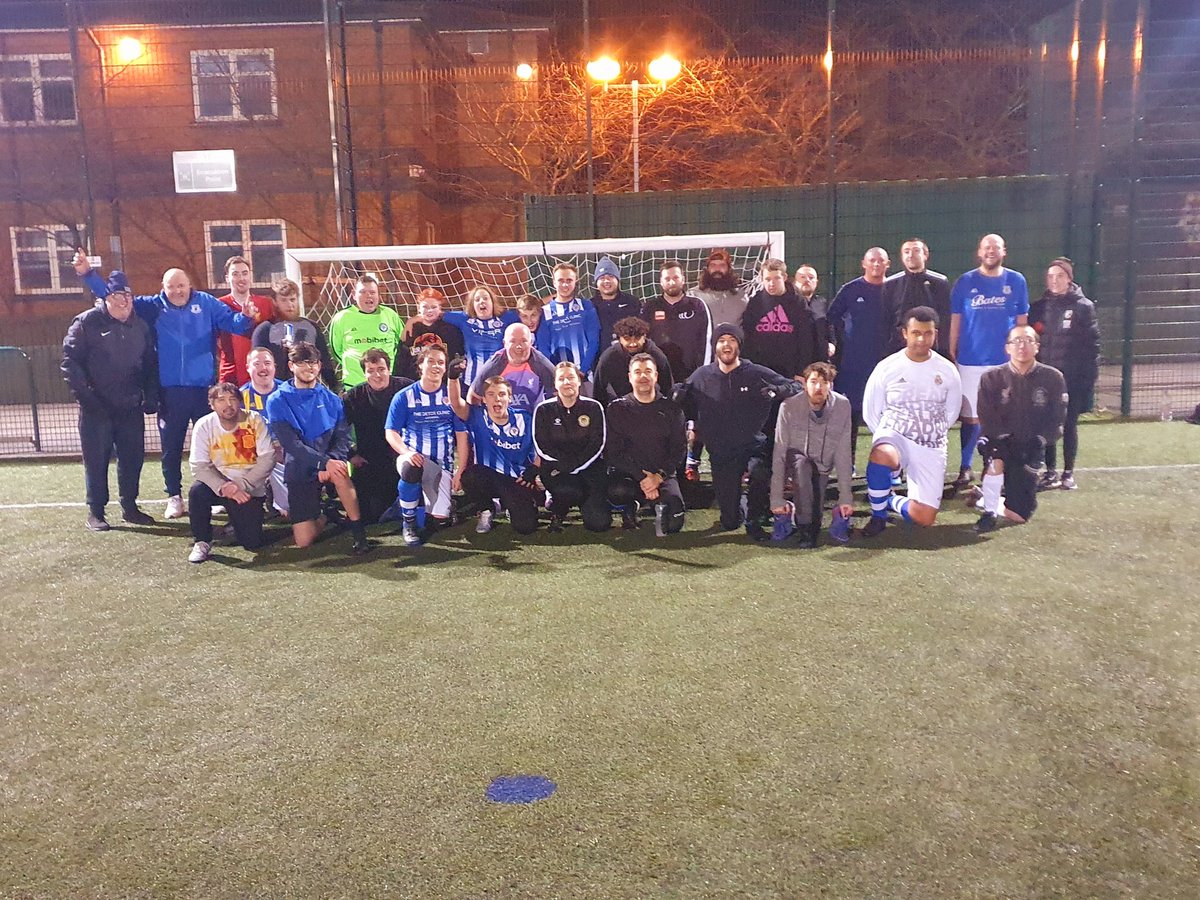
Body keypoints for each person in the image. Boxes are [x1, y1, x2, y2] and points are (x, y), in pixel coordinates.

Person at [74, 250, 256, 520]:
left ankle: (214, 494)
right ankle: (174, 496)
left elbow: (235, 324)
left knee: (212, 445)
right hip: (170, 391)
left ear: (189, 285)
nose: (177, 291)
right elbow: (114, 297)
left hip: (204, 390)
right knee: (171, 447)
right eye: (171, 287)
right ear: (164, 288)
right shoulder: (154, 305)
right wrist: (88, 274)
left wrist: (247, 316)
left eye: (181, 286)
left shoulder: (207, 303)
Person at [675, 324, 801, 539]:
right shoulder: (702, 375)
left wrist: (777, 390)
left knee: (760, 472)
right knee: (730, 522)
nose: (726, 345)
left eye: (732, 340)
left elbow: (796, 387)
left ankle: (755, 518)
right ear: (715, 346)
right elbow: (682, 393)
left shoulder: (756, 372)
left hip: (753, 446)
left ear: (739, 346)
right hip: (721, 452)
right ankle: (739, 507)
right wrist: (677, 392)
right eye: (721, 341)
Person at [61, 269, 158, 531]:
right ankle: (96, 512)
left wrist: (150, 396)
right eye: (116, 295)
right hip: (97, 408)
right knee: (96, 460)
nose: (123, 300)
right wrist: (87, 398)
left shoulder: (140, 326)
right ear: (105, 297)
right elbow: (70, 363)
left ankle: (130, 507)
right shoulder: (86, 322)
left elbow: (150, 364)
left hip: (130, 406)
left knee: (132, 459)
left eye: (127, 295)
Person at [861, 307, 962, 537]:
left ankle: (889, 499)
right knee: (882, 454)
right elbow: (871, 412)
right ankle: (878, 516)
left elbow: (952, 411)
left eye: (927, 333)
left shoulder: (947, 370)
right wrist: (885, 438)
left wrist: (928, 431)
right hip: (896, 435)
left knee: (924, 517)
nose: (921, 339)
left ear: (935, 334)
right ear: (905, 333)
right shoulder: (887, 367)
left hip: (931, 445)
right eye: (916, 333)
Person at [265, 341, 370, 554]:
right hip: (300, 467)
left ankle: (359, 533)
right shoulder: (277, 400)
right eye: (302, 363)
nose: (309, 367)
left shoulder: (332, 400)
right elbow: (291, 444)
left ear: (319, 365)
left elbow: (342, 438)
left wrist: (331, 461)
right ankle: (326, 515)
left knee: (340, 471)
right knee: (304, 541)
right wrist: (323, 463)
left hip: (330, 464)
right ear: (291, 366)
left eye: (312, 362)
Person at [949, 233, 1029, 487]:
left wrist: (1020, 353)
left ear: (1004, 251)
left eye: (996, 247)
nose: (991, 251)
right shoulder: (965, 281)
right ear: (979, 252)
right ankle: (965, 467)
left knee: (1002, 417)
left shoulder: (1016, 281)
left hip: (1003, 361)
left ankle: (995, 464)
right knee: (971, 417)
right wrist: (953, 349)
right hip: (970, 359)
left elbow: (1022, 322)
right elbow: (956, 319)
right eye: (986, 247)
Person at [975, 324, 1068, 532]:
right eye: (1016, 341)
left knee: (1019, 515)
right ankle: (989, 511)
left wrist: (1040, 440)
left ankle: (984, 498)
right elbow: (986, 416)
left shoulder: (1053, 377)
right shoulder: (991, 378)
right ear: (1007, 348)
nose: (1022, 346)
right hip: (1001, 443)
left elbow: (1057, 418)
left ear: (1037, 347)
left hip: (1030, 447)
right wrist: (999, 439)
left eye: (1028, 341)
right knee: (995, 459)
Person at [384, 341, 470, 547]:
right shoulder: (404, 396)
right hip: (413, 458)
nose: (436, 366)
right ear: (420, 365)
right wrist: (406, 452)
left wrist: (460, 470)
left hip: (441, 466)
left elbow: (461, 435)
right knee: (412, 468)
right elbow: (391, 432)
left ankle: (414, 503)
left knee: (440, 521)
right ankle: (409, 522)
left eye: (440, 362)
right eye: (431, 361)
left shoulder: (451, 396)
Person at [1029, 257, 1100, 491]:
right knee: (1047, 425)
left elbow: (1092, 346)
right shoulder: (1039, 307)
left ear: (1069, 279)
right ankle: (1050, 471)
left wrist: (1088, 379)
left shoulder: (1083, 307)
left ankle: (1068, 472)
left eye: (1060, 276)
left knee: (1069, 425)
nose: (1054, 280)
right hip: (1044, 379)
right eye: (1050, 276)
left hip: (1071, 379)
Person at [186, 382, 275, 563]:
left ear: (240, 401)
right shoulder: (204, 425)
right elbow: (198, 465)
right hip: (219, 486)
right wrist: (224, 486)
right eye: (221, 400)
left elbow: (268, 458)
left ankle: (236, 524)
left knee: (252, 542)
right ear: (212, 404)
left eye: (233, 399)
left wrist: (241, 485)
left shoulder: (254, 420)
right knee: (197, 492)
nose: (228, 405)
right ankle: (202, 541)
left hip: (247, 488)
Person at [770, 362, 854, 547]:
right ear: (804, 383)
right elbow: (780, 452)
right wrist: (776, 498)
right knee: (802, 468)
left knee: (815, 505)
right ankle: (805, 530)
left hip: (823, 465)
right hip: (797, 461)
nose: (818, 388)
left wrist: (845, 498)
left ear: (831, 385)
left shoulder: (842, 405)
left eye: (824, 382)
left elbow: (843, 452)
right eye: (814, 382)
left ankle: (824, 515)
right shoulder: (789, 406)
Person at [605, 353, 687, 534]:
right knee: (618, 491)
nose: (643, 376)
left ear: (655, 376)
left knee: (673, 525)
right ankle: (631, 505)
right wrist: (642, 477)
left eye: (648, 371)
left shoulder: (672, 409)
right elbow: (613, 452)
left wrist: (658, 476)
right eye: (638, 372)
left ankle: (650, 502)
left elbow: (679, 449)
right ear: (630, 377)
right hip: (630, 475)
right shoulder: (617, 408)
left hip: (662, 475)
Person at [451, 375, 541, 535]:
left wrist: (534, 469)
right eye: (491, 394)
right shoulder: (477, 416)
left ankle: (512, 505)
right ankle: (486, 509)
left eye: (501, 394)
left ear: (510, 398)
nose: (497, 399)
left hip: (516, 480)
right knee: (470, 476)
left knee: (526, 527)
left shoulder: (525, 418)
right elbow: (456, 403)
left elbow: (542, 447)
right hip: (488, 478)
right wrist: (453, 378)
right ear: (484, 399)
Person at [827, 247, 891, 464]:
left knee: (886, 414)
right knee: (850, 414)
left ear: (887, 264)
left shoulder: (894, 289)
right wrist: (840, 342)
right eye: (872, 260)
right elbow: (832, 318)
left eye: (880, 261)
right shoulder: (850, 290)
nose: (876, 264)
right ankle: (849, 462)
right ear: (864, 263)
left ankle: (889, 463)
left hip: (885, 362)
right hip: (854, 363)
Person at [532, 362, 610, 533]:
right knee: (569, 490)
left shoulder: (593, 407)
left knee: (599, 524)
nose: (566, 382)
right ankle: (558, 509)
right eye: (561, 379)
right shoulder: (544, 409)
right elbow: (541, 445)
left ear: (579, 381)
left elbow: (597, 444)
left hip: (589, 467)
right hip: (557, 468)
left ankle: (585, 503)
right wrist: (563, 464)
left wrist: (575, 465)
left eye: (571, 377)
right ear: (555, 383)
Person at [342, 348, 413, 523]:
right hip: (370, 462)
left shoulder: (407, 388)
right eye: (371, 371)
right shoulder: (353, 397)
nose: (377, 375)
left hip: (405, 457)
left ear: (389, 369)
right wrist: (351, 455)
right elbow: (338, 431)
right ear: (364, 373)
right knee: (369, 515)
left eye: (381, 369)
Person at [741, 258, 822, 380]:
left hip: (790, 373)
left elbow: (806, 340)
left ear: (784, 277)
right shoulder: (755, 303)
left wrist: (801, 371)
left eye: (776, 278)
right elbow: (747, 338)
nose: (771, 283)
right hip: (761, 371)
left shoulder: (798, 302)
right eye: (767, 279)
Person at [252, 278, 337, 388]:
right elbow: (257, 366)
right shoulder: (264, 330)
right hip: (276, 390)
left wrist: (334, 388)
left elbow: (325, 362)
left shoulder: (311, 327)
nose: (289, 305)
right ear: (275, 302)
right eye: (284, 300)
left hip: (307, 390)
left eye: (292, 299)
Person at [327, 274, 404, 389]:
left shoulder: (390, 315)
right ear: (353, 295)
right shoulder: (342, 318)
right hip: (355, 384)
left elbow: (402, 345)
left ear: (378, 295)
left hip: (387, 383)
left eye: (372, 292)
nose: (368, 296)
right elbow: (336, 350)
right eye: (363, 292)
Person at [641, 259, 712, 382]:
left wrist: (703, 372)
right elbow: (643, 341)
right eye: (667, 279)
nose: (672, 282)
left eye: (676, 277)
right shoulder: (649, 307)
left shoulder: (697, 305)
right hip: (658, 376)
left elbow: (707, 340)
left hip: (692, 376)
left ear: (683, 280)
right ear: (661, 282)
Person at [881, 239, 951, 355]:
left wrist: (943, 349)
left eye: (916, 251)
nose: (911, 255)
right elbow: (885, 321)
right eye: (906, 251)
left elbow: (945, 319)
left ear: (925, 255)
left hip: (931, 350)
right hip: (898, 350)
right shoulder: (890, 284)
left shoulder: (940, 282)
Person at [240, 347, 288, 517]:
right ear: (248, 367)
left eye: (267, 363)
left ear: (274, 366)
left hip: (285, 452)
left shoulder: (287, 391)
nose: (263, 368)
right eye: (257, 364)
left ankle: (279, 497)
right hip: (254, 453)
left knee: (290, 511)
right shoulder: (240, 397)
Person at [440, 285, 519, 386]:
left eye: (485, 298)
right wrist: (419, 317)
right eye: (477, 300)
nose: (482, 301)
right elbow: (438, 314)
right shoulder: (464, 319)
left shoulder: (506, 318)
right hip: (471, 383)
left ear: (492, 302)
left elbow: (528, 313)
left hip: (499, 383)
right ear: (472, 305)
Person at [469, 322, 557, 412]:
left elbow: (558, 393)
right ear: (504, 343)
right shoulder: (494, 366)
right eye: (513, 341)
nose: (518, 346)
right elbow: (473, 396)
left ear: (531, 342)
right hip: (501, 417)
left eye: (524, 341)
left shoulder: (541, 364)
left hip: (531, 416)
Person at [538, 262, 602, 380]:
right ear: (554, 282)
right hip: (558, 376)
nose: (565, 284)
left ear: (575, 282)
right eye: (561, 280)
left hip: (585, 376)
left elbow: (594, 342)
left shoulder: (586, 306)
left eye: (569, 280)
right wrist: (556, 372)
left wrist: (583, 370)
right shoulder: (545, 312)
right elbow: (543, 348)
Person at [216, 256, 274, 387]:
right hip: (230, 374)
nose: (241, 278)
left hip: (261, 374)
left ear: (250, 276)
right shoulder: (220, 305)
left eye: (244, 273)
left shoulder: (265, 304)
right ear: (227, 278)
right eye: (235, 274)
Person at [592, 316, 673, 407]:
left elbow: (667, 387)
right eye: (627, 339)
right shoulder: (608, 357)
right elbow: (598, 390)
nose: (633, 343)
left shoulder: (657, 355)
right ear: (620, 339)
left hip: (653, 405)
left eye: (637, 338)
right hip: (622, 407)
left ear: (644, 337)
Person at [401, 287, 464, 379]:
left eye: (434, 307)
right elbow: (403, 359)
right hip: (415, 381)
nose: (429, 310)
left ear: (440, 309)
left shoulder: (451, 330)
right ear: (419, 308)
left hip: (443, 381)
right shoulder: (411, 329)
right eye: (425, 307)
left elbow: (458, 357)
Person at [692, 248, 750, 332]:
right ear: (707, 269)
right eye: (713, 265)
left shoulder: (741, 296)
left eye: (722, 265)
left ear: (729, 269)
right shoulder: (694, 296)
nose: (717, 269)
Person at [590, 256, 640, 344]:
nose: (606, 280)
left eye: (610, 276)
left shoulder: (632, 302)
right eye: (602, 277)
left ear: (618, 280)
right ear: (596, 282)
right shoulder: (589, 306)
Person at [794, 264, 832, 358]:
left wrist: (832, 343)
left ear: (816, 282)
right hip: (795, 357)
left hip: (819, 357)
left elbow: (830, 326)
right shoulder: (788, 303)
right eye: (802, 277)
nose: (807, 280)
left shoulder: (822, 303)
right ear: (795, 281)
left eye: (811, 277)